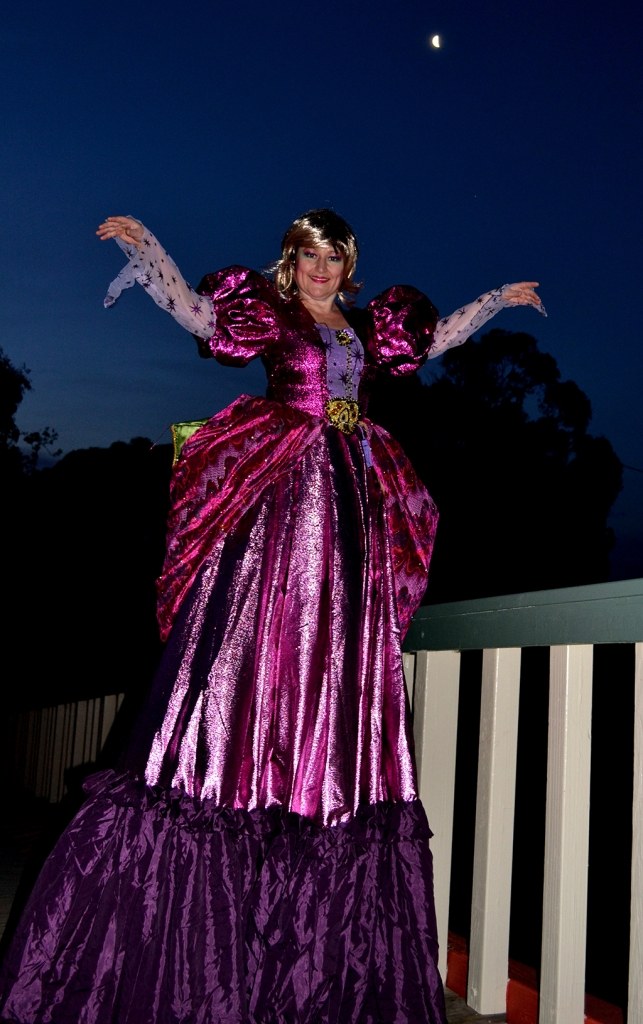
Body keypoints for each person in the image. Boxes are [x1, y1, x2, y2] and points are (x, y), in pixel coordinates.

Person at [0, 210, 545, 1024]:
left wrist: (498, 297)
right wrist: (148, 247)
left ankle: (316, 800)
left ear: (349, 267)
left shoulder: (369, 327)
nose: (322, 269)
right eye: (309, 256)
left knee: (339, 664)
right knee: (249, 648)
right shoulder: (269, 314)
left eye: (335, 257)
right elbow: (193, 311)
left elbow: (433, 346)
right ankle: (225, 782)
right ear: (288, 263)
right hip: (283, 501)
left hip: (351, 509)